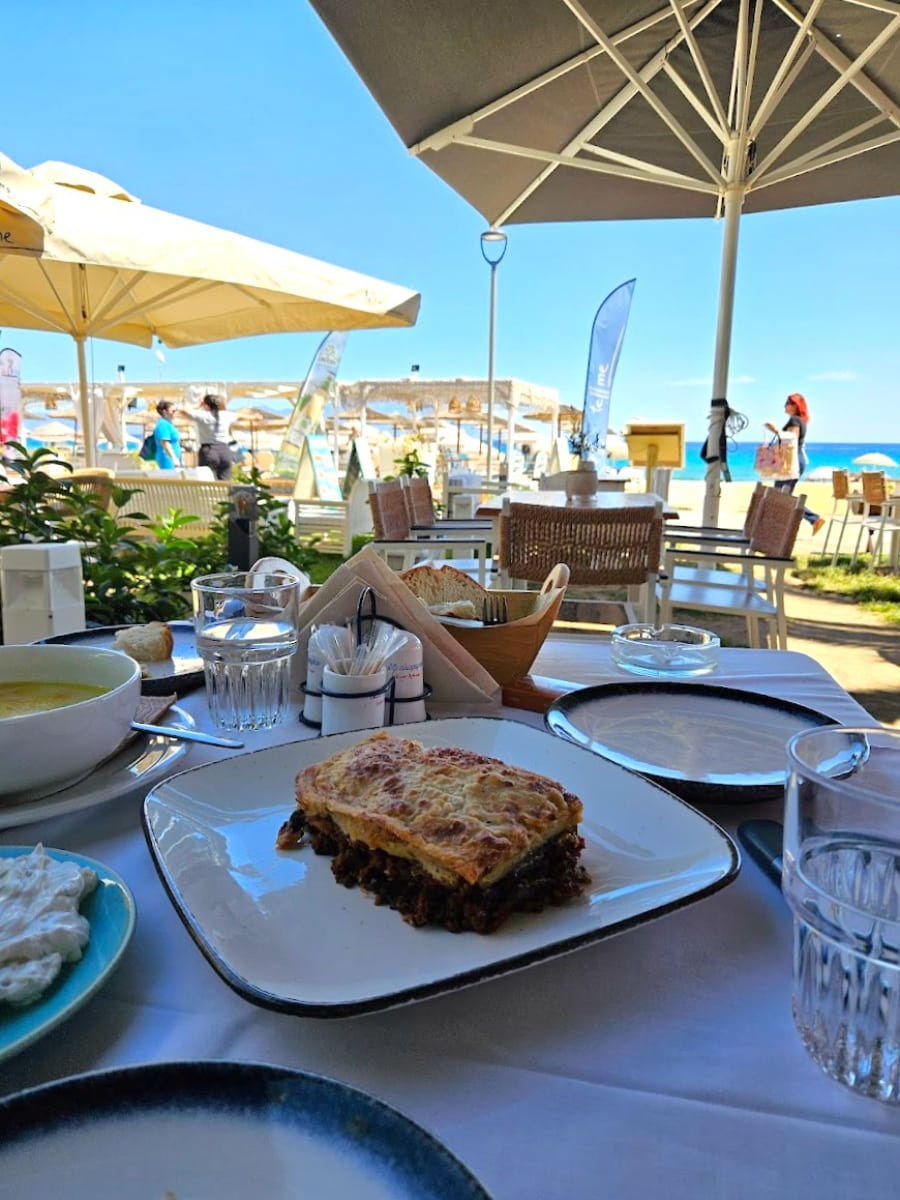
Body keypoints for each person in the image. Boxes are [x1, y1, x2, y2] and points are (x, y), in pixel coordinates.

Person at [764, 393, 824, 533]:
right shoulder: (799, 420)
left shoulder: (795, 420)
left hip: (792, 461)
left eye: (787, 403)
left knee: (781, 496)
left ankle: (813, 519)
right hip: (793, 460)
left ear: (794, 405)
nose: (784, 406)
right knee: (782, 496)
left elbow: (791, 439)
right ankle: (811, 520)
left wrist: (775, 430)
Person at [185, 393, 235, 480]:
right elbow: (244, 416)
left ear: (206, 405)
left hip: (208, 450)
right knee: (225, 482)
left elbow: (184, 410)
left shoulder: (202, 415)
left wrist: (198, 404)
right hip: (224, 450)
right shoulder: (227, 415)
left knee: (205, 481)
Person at [153, 401, 182, 470]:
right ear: (164, 412)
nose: (175, 413)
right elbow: (165, 442)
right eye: (173, 411)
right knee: (170, 476)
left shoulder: (168, 424)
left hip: (172, 458)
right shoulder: (163, 424)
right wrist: (174, 458)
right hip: (167, 458)